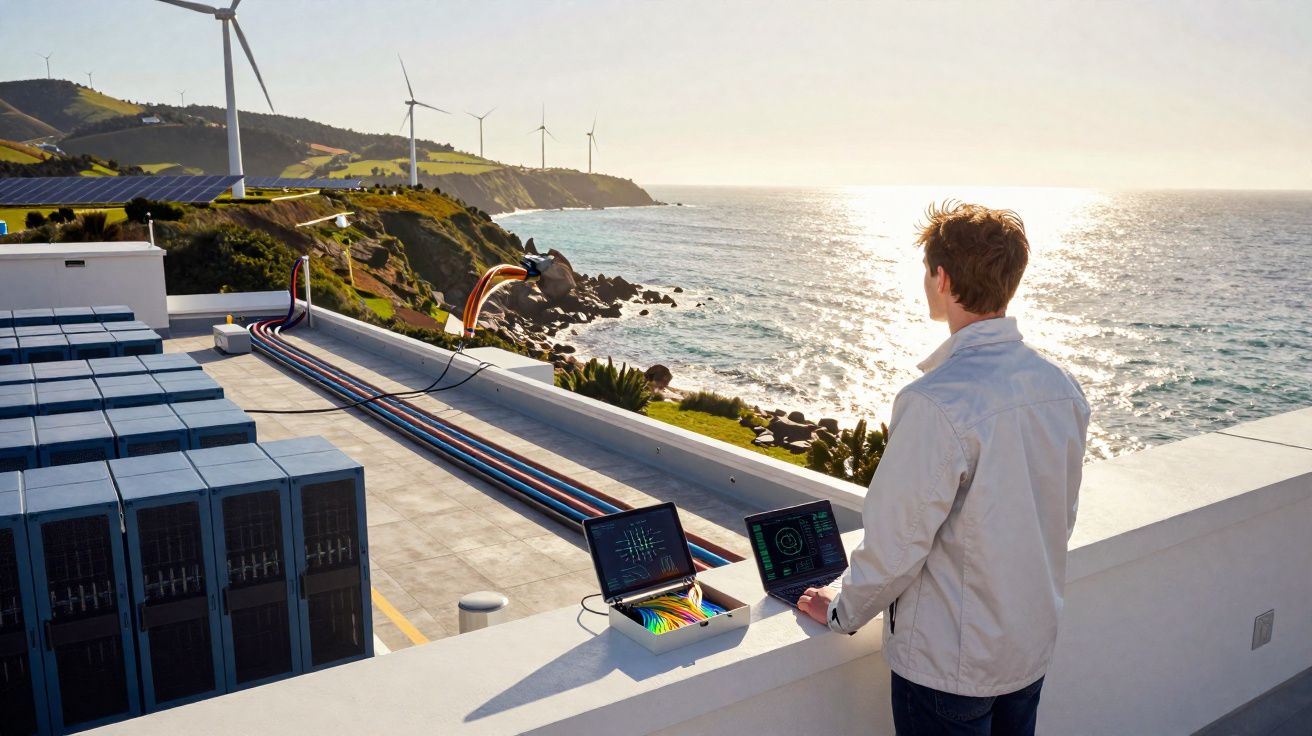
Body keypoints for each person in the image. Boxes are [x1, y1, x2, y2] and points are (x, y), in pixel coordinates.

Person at [798, 202, 1090, 735]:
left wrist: (841, 609)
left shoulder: (936, 401)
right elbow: (1057, 517)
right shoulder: (1061, 388)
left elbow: (896, 541)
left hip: (947, 666)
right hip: (1027, 646)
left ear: (942, 277)